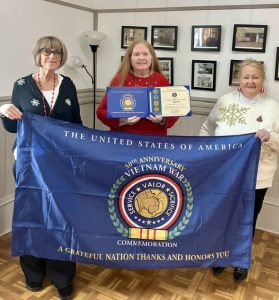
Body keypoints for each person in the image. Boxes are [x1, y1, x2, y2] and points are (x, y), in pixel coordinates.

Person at [199, 59, 279, 283]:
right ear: (238, 79)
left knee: (246, 220)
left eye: (255, 77)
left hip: (257, 178)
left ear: (262, 80)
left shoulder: (272, 106)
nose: (250, 81)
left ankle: (241, 260)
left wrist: (270, 137)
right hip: (224, 175)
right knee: (223, 216)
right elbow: (206, 127)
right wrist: (206, 152)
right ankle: (220, 256)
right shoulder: (225, 101)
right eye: (246, 77)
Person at [0, 36, 82, 299]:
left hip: (61, 165)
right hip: (29, 163)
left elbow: (77, 123)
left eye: (57, 52)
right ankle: (33, 273)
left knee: (61, 218)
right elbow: (13, 127)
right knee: (32, 217)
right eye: (47, 51)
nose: (52, 56)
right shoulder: (22, 85)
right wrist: (5, 111)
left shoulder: (68, 85)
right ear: (38, 54)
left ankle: (63, 277)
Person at [96, 40, 178, 135]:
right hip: (123, 141)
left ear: (152, 57)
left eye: (145, 54)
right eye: (136, 54)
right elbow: (101, 112)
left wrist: (162, 120)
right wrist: (122, 120)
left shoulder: (161, 80)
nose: (141, 58)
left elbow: (172, 113)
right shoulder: (119, 80)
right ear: (130, 58)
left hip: (155, 142)